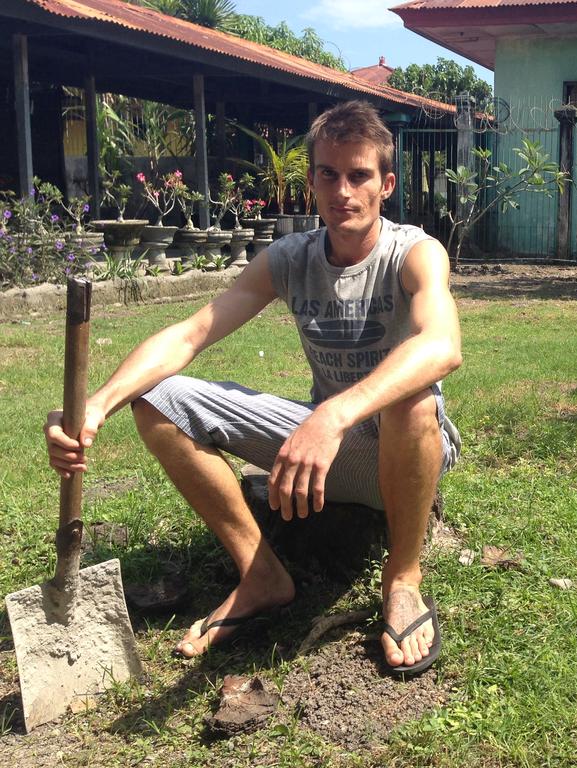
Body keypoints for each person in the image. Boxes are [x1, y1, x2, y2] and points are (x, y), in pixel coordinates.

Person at [44, 101, 462, 674]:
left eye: (359, 175)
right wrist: (96, 405)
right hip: (325, 442)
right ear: (311, 181)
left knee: (413, 401)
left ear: (386, 184)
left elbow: (442, 346)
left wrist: (332, 415)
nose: (344, 190)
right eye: (328, 174)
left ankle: (403, 578)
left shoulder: (414, 251)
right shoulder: (289, 259)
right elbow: (190, 335)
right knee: (157, 399)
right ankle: (261, 573)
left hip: (402, 447)